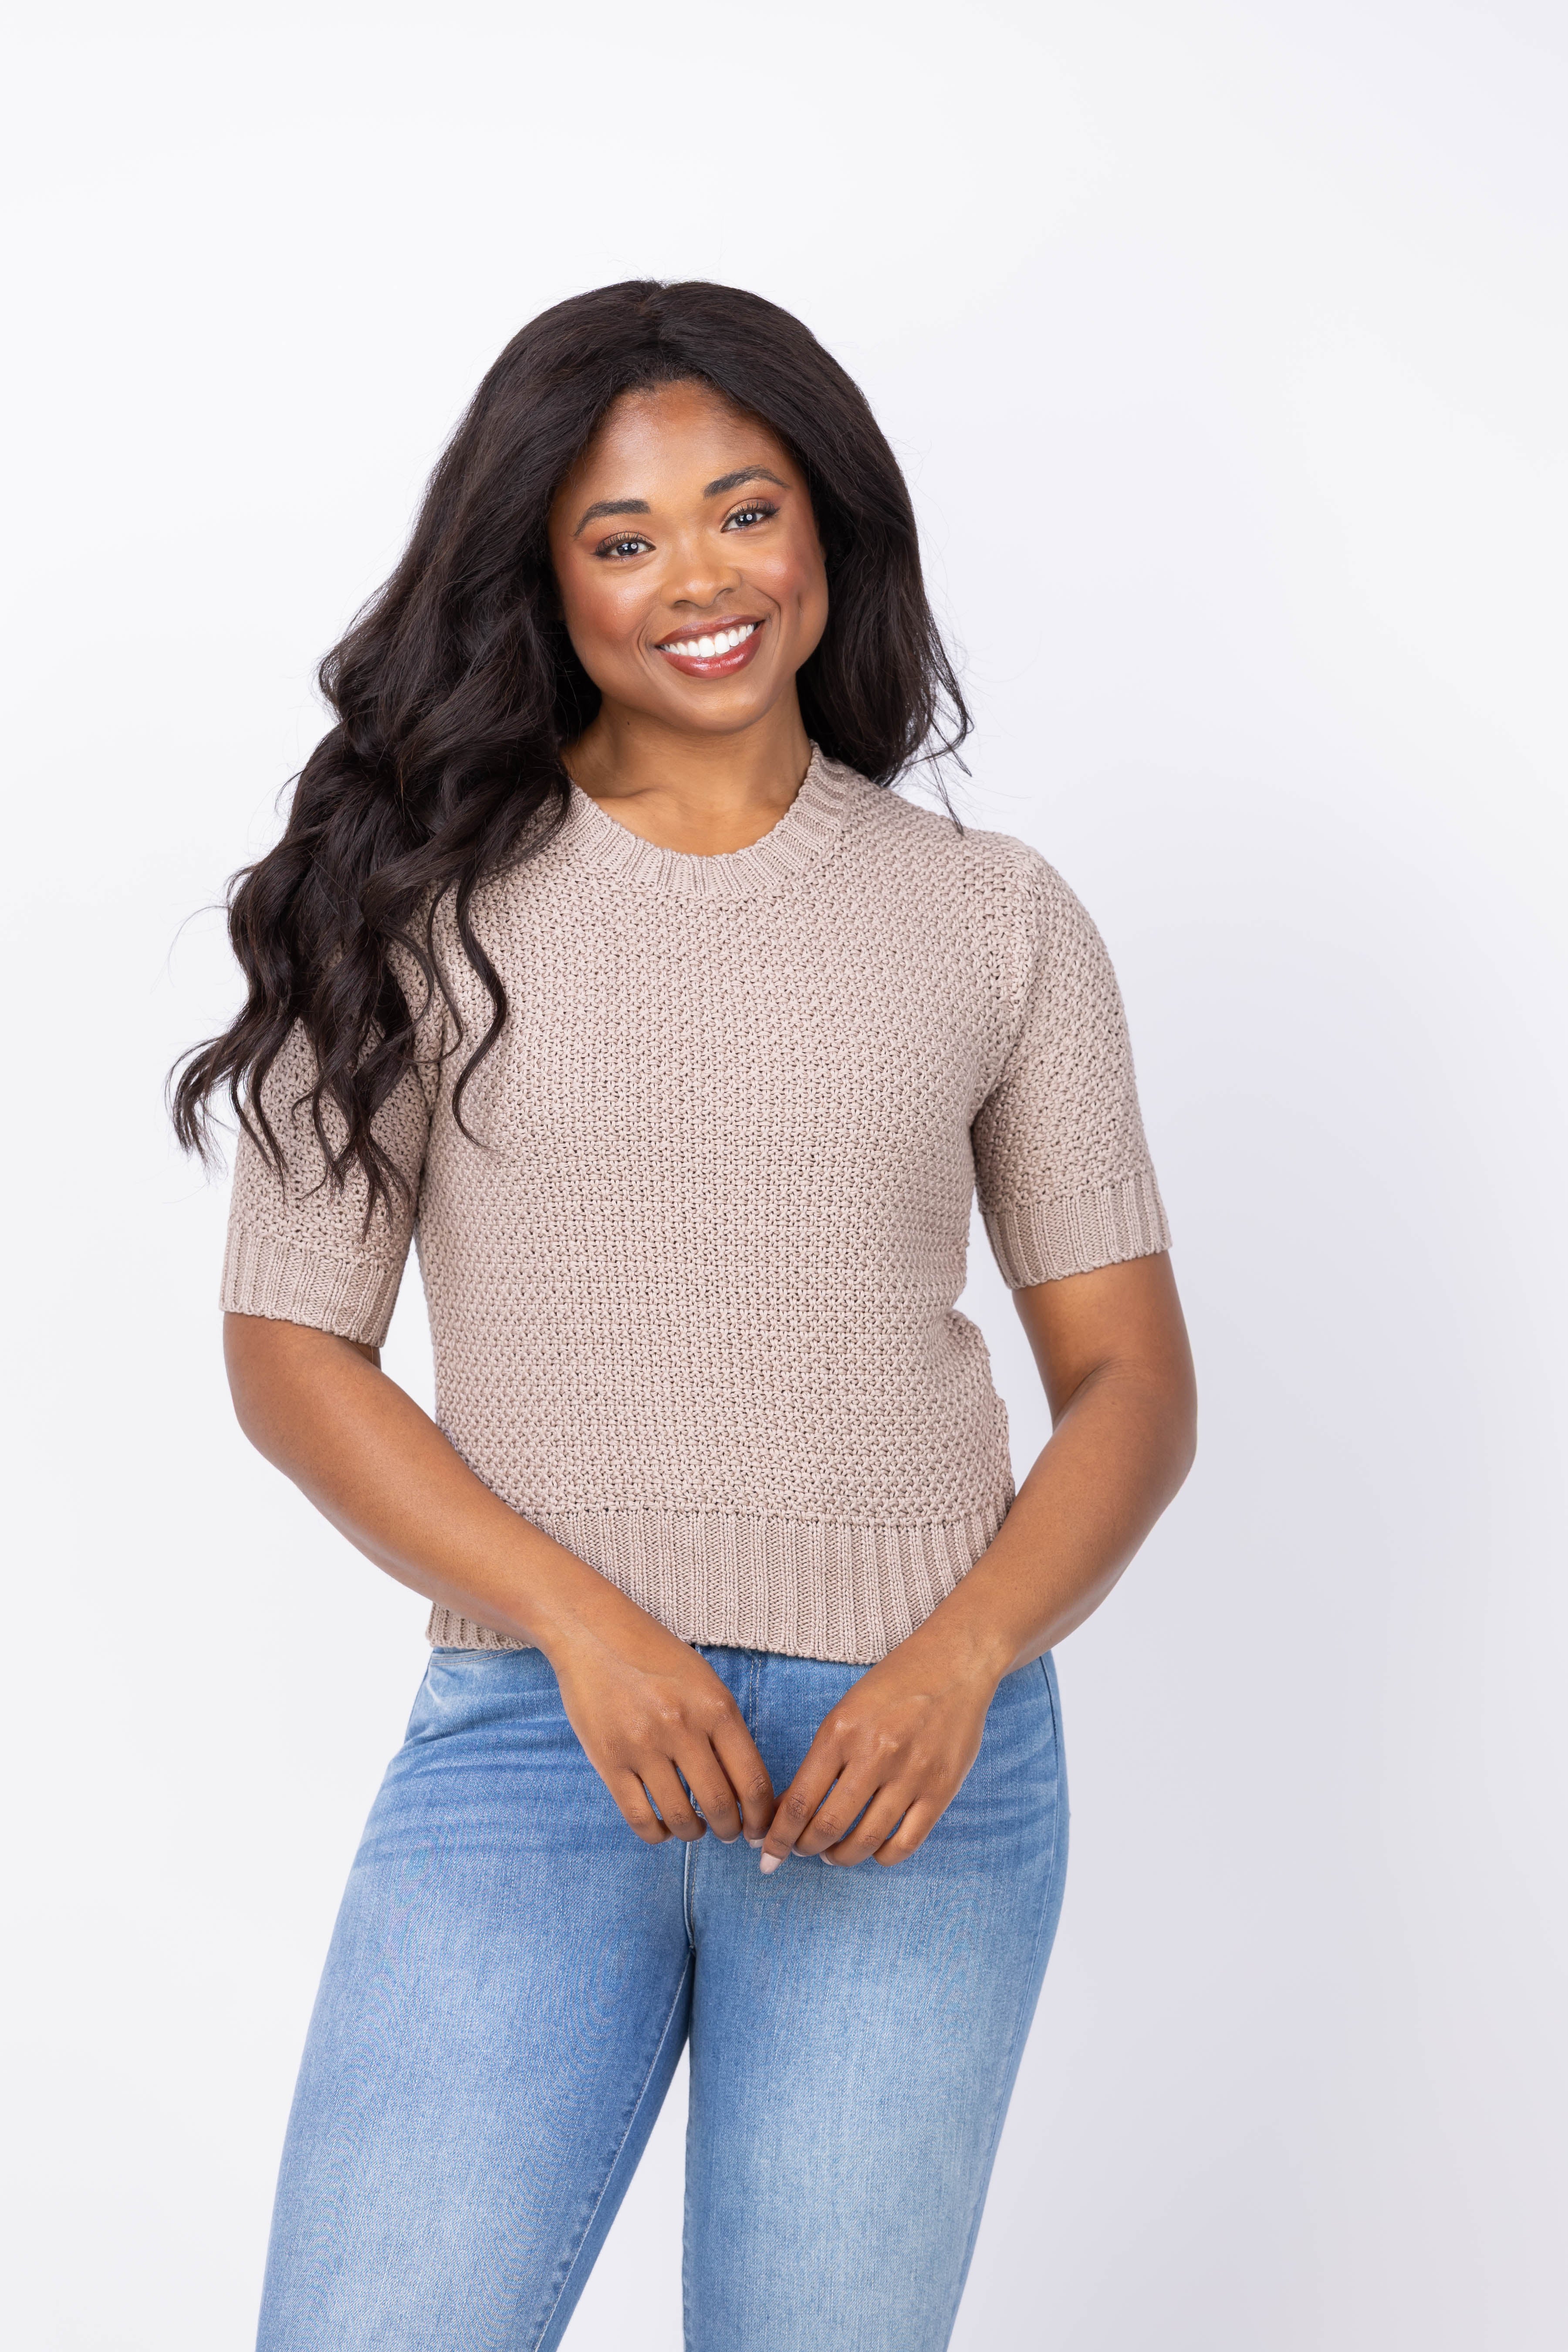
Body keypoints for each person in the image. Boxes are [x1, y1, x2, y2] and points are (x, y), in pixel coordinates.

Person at [174, 278, 1196, 2352]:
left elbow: (1131, 1383)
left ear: (828, 525)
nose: (701, 580)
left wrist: (963, 1663)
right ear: (544, 580)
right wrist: (585, 1627)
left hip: (916, 1772)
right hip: (537, 1742)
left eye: (745, 511)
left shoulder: (994, 918)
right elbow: (290, 1347)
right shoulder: (411, 905)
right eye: (624, 537)